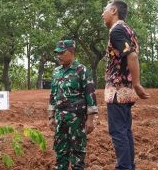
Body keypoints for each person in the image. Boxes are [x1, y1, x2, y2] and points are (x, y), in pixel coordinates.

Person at [102, 1, 150, 170]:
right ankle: (129, 166)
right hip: (126, 91)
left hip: (118, 91)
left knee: (118, 132)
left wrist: (137, 84)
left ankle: (124, 167)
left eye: (105, 10)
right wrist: (133, 84)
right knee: (125, 131)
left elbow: (132, 57)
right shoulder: (129, 29)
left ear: (114, 11)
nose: (102, 14)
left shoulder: (116, 30)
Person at [48, 39, 98, 170]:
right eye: (57, 53)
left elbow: (91, 96)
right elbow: (53, 96)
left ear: (71, 51)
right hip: (60, 120)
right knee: (60, 152)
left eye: (61, 53)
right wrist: (51, 117)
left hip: (77, 120)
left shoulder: (82, 70)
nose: (58, 56)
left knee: (78, 154)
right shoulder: (56, 72)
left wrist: (91, 120)